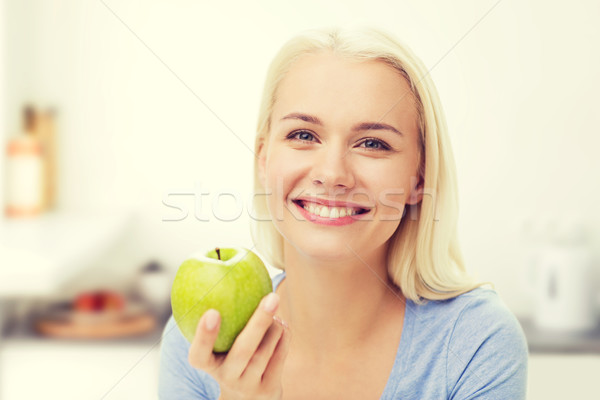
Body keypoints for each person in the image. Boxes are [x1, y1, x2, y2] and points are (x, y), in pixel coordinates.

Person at [158, 27, 528, 399]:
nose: (332, 174)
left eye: (372, 143)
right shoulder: (201, 337)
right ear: (263, 158)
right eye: (303, 135)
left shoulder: (475, 342)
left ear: (420, 177)